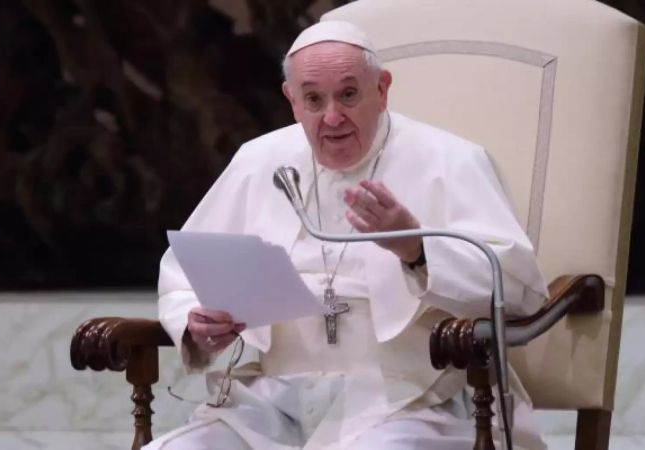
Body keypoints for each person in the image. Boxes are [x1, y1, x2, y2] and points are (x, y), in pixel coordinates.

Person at [145, 20, 548, 450]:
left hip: (407, 401)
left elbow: (517, 288)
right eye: (314, 99)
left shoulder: (450, 160)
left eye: (349, 94)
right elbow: (184, 274)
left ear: (382, 89)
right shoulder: (258, 161)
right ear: (292, 101)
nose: (332, 117)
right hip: (269, 402)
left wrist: (417, 250)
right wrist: (197, 324)